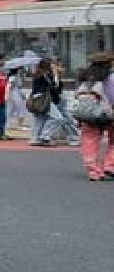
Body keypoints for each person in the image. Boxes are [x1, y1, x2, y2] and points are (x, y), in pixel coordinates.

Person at [75, 53, 114, 182]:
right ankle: (110, 166)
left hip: (86, 114)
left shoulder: (84, 78)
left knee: (89, 141)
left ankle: (94, 171)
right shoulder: (109, 78)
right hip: (106, 113)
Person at [30, 58, 76, 146]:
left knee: (40, 119)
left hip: (38, 99)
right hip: (44, 99)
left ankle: (36, 138)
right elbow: (54, 87)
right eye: (52, 64)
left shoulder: (39, 74)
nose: (54, 66)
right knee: (58, 118)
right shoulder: (45, 75)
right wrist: (55, 75)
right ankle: (44, 136)